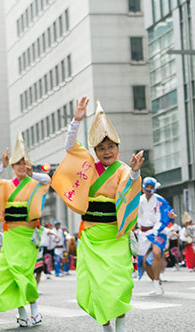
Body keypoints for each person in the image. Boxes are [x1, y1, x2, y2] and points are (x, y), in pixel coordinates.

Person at [52, 97, 143, 332]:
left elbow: (129, 189)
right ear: (95, 150)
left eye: (110, 147)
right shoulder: (87, 168)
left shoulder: (123, 170)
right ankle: (106, 327)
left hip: (115, 235)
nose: (106, 151)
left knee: (120, 284)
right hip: (92, 237)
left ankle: (121, 327)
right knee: (95, 287)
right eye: (101, 148)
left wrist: (134, 172)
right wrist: (77, 120)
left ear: (118, 148)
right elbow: (70, 147)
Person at [0, 135, 51, 326]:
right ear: (13, 167)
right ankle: (22, 311)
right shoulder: (7, 184)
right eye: (17, 164)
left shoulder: (34, 182)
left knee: (24, 272)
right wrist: (3, 166)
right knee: (11, 273)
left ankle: (34, 309)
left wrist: (33, 174)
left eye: (24, 164)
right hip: (11, 235)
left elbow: (47, 179)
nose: (21, 167)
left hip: (28, 234)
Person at [137, 176, 176, 294]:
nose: (149, 189)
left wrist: (171, 216)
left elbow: (169, 212)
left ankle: (157, 281)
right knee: (144, 262)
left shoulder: (160, 200)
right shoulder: (138, 200)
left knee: (157, 253)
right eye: (147, 187)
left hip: (157, 231)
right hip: (143, 233)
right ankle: (156, 282)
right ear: (143, 188)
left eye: (151, 187)